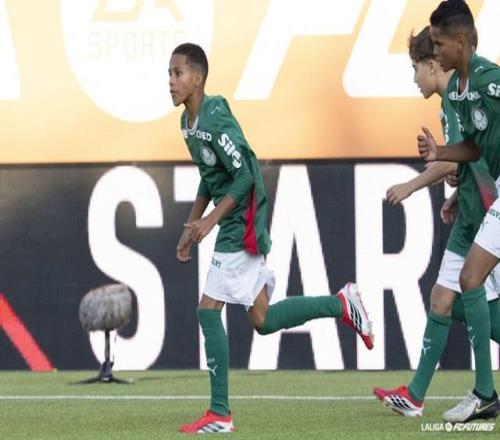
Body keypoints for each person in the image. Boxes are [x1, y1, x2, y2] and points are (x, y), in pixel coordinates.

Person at [169, 42, 374, 434]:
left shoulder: (213, 119)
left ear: (198, 78)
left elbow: (246, 175)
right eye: (170, 74)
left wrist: (211, 220)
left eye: (178, 73)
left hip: (241, 218)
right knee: (261, 319)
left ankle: (220, 413)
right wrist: (191, 226)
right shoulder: (187, 124)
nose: (171, 81)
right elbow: (210, 177)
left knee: (207, 310)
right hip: (231, 217)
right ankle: (342, 304)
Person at [374, 25, 500, 420]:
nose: (414, 78)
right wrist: (457, 193)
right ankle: (415, 395)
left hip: (483, 216)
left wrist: (411, 185)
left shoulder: (455, 99)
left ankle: (484, 393)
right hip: (469, 212)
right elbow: (471, 157)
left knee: (471, 293)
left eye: (416, 68)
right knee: (442, 299)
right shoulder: (455, 99)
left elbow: (455, 158)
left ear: (433, 64)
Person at [417, 0, 500, 422]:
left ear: (462, 42)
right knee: (470, 280)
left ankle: (484, 393)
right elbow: (473, 148)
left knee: (470, 279)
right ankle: (484, 393)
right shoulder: (457, 91)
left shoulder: (489, 80)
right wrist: (441, 152)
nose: (435, 52)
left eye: (439, 44)